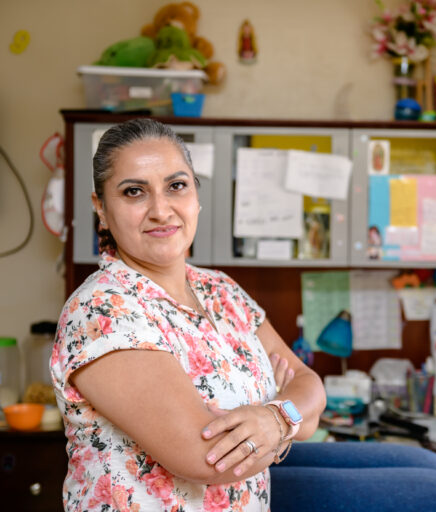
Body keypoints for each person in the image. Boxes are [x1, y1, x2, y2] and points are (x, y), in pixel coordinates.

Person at [50, 118, 326, 511]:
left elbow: (309, 384)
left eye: (176, 186)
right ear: (102, 209)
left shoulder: (222, 291)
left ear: (196, 195)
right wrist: (287, 416)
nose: (161, 210)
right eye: (134, 192)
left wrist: (277, 417)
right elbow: (209, 456)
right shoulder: (102, 310)